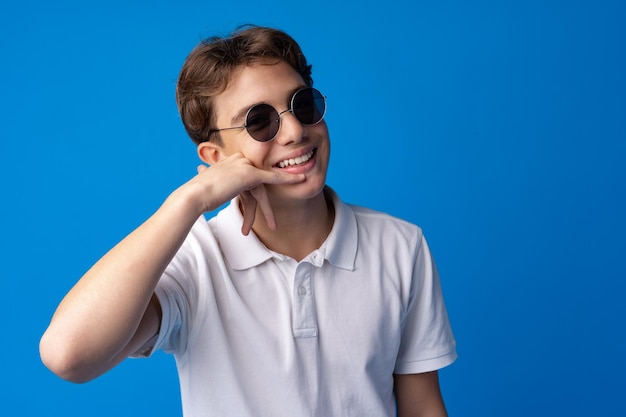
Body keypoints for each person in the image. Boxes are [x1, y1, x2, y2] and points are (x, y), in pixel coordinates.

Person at [40, 25, 457, 416]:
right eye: (260, 121)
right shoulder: (194, 263)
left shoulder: (401, 245)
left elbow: (422, 406)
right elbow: (67, 355)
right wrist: (192, 200)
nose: (294, 130)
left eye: (302, 104)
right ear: (216, 158)